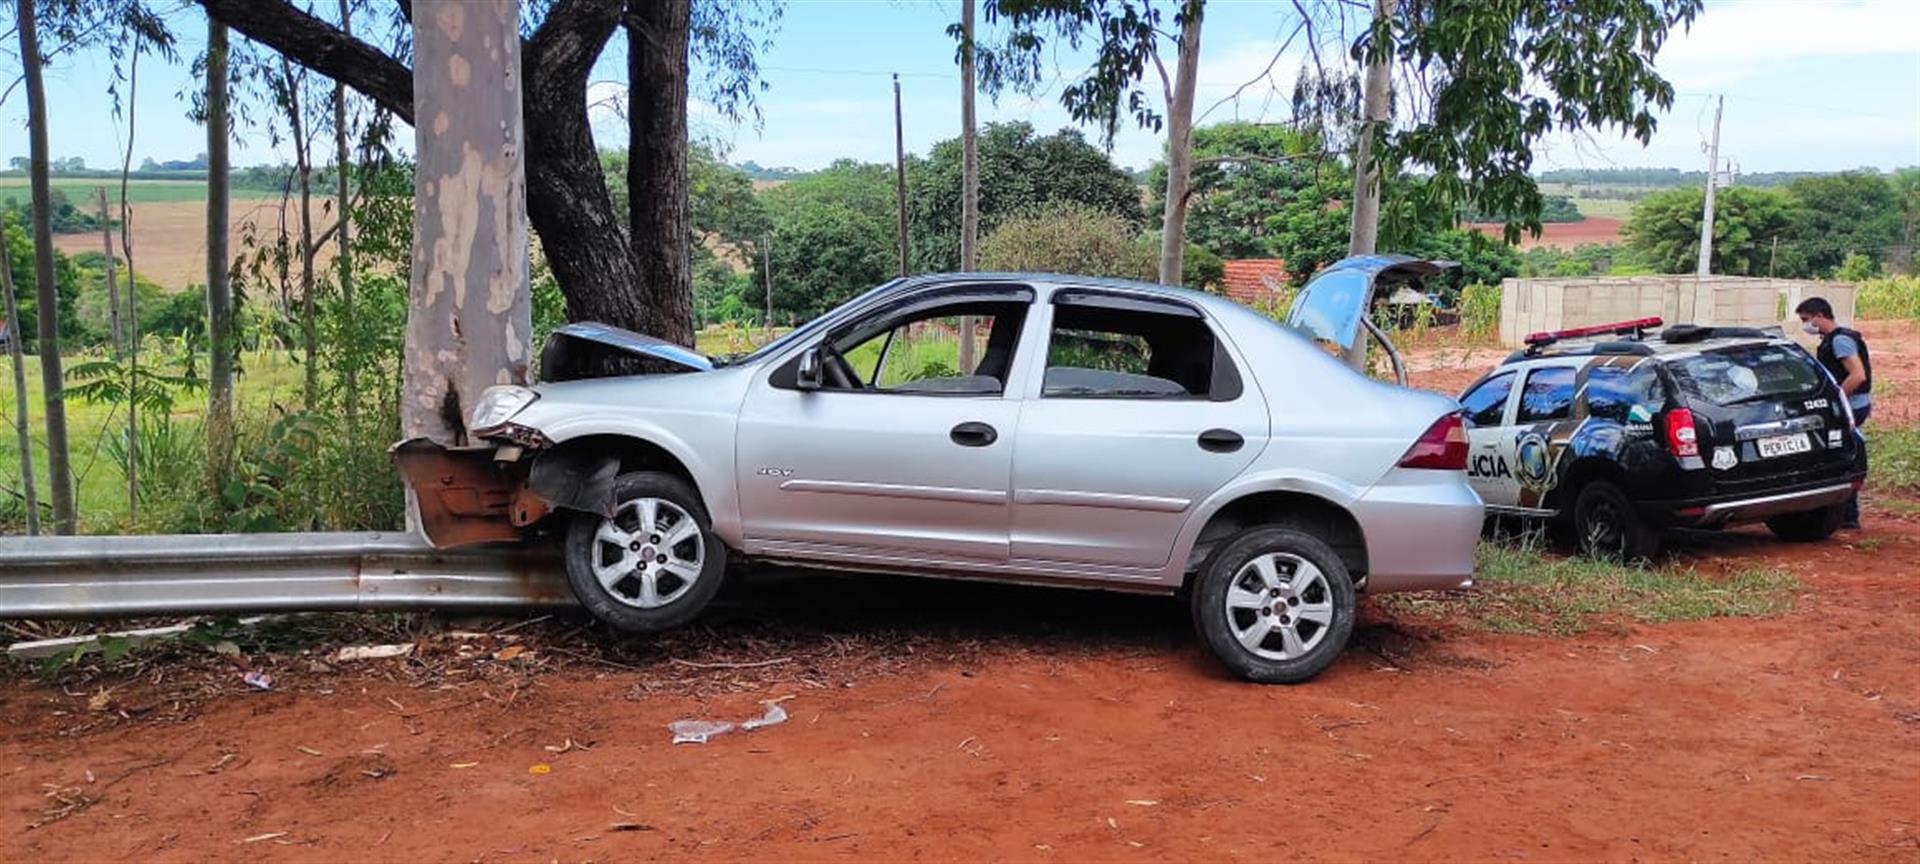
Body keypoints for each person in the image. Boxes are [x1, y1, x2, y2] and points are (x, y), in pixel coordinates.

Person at [1795, 297, 1871, 530]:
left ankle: (1848, 515)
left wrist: (1834, 399)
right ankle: (1846, 514)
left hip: (1851, 406)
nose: (1805, 325)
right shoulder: (1834, 339)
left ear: (1819, 316)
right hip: (1852, 404)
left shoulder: (1840, 341)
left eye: (1806, 320)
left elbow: (1857, 375)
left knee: (1840, 455)